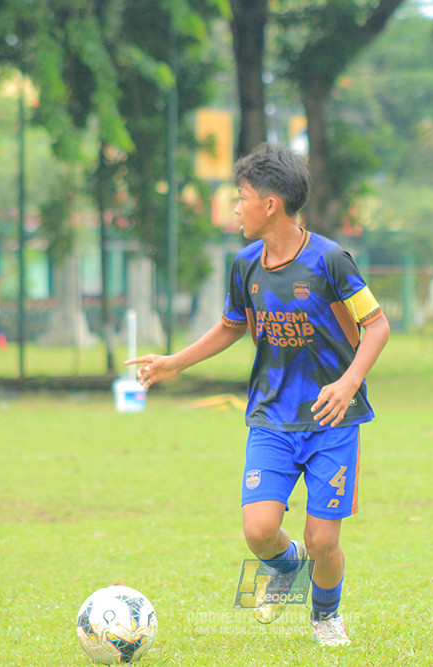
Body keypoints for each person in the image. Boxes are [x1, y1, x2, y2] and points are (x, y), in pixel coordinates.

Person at [125, 143, 390, 647]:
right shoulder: (244, 263)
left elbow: (376, 327)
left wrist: (349, 380)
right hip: (270, 416)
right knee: (259, 529)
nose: (235, 207)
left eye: (241, 197)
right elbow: (231, 326)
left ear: (271, 205)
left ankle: (325, 614)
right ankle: (285, 570)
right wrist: (174, 362)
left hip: (333, 419)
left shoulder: (332, 261)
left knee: (322, 540)